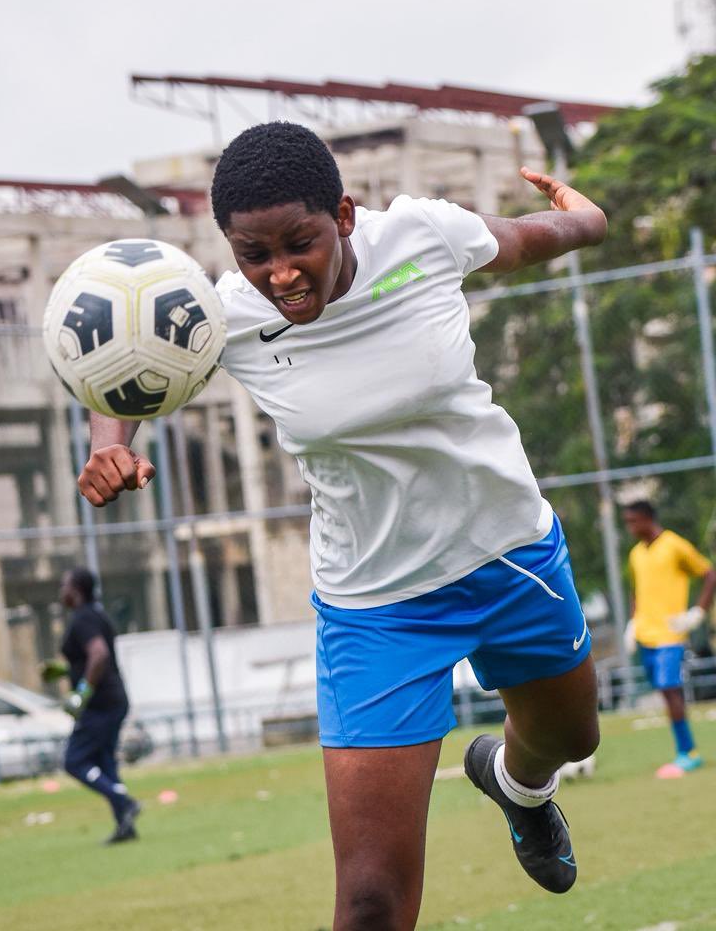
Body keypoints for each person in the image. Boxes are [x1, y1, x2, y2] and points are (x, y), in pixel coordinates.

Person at [78, 122, 604, 929]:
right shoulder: (222, 318)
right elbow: (126, 375)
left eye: (301, 243)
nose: (281, 272)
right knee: (368, 901)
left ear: (346, 217)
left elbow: (531, 237)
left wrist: (588, 218)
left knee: (568, 737)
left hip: (508, 552)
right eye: (255, 253)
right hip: (376, 607)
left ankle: (514, 782)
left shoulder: (422, 235)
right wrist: (108, 448)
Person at [40, 567, 140, 843]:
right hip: (114, 699)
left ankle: (124, 801)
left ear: (76, 590)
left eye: (64, 585)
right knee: (106, 763)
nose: (62, 591)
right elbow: (86, 660)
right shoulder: (97, 615)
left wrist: (81, 693)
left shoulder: (83, 618)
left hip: (101, 704)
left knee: (74, 760)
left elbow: (98, 655)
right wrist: (63, 671)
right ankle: (125, 824)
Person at [621, 499, 715, 776]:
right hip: (645, 634)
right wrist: (633, 622)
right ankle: (685, 750)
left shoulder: (674, 544)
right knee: (664, 690)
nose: (630, 527)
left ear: (648, 519)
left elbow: (709, 574)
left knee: (670, 688)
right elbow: (636, 590)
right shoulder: (636, 553)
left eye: (633, 521)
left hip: (670, 634)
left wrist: (698, 612)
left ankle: (688, 753)